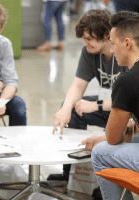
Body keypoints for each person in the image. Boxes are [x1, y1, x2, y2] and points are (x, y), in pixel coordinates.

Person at [51, 9, 126, 181]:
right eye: (84, 40)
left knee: (87, 106)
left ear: (107, 36)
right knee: (75, 109)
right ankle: (70, 174)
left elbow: (130, 101)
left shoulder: (124, 53)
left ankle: (111, 177)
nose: (86, 44)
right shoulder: (90, 53)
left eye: (90, 39)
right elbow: (78, 84)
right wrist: (66, 108)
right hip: (108, 105)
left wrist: (98, 105)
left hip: (125, 111)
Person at [91, 11, 139, 200]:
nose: (111, 49)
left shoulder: (127, 80)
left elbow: (112, 138)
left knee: (100, 152)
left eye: (113, 43)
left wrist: (104, 138)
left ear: (127, 43)